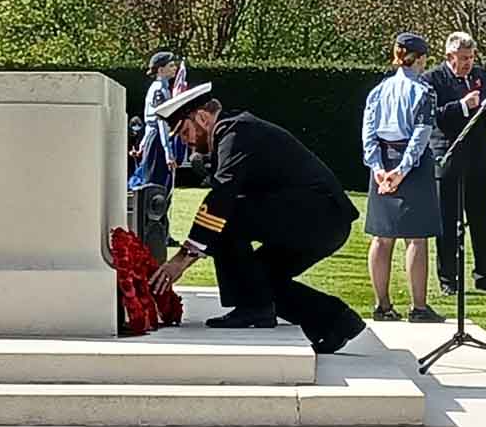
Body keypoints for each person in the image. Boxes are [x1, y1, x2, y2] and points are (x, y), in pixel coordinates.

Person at [147, 83, 366, 354]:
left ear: (202, 118)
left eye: (184, 131)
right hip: (322, 221)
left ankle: (253, 309)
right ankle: (337, 321)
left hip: (318, 218)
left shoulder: (235, 132)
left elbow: (221, 197)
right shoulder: (234, 132)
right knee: (257, 279)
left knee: (227, 217)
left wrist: (182, 260)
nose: (185, 141)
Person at [361, 32, 446, 324]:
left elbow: (368, 132)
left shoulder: (378, 90)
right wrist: (402, 170)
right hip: (411, 165)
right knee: (417, 238)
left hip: (382, 162)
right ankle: (419, 307)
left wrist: (377, 167)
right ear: (420, 59)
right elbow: (421, 135)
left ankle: (382, 305)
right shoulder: (424, 91)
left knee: (381, 238)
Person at [422, 31, 486, 296]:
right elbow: (432, 117)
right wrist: (461, 105)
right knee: (448, 221)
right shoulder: (432, 80)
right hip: (448, 155)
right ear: (449, 57)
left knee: (482, 218)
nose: (468, 63)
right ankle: (448, 279)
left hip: (478, 156)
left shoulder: (481, 76)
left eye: (471, 57)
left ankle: (485, 277)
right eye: (463, 58)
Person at [129, 51, 178, 192]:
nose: (174, 68)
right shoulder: (159, 90)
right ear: (161, 70)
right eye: (171, 65)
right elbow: (161, 122)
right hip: (158, 141)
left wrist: (143, 144)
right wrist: (168, 153)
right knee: (157, 185)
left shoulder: (160, 88)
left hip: (154, 138)